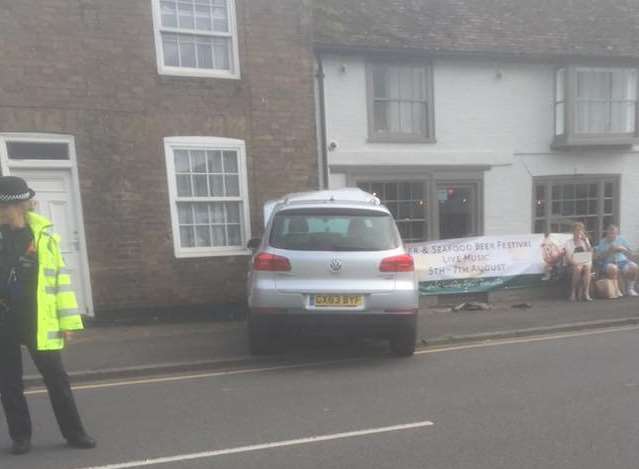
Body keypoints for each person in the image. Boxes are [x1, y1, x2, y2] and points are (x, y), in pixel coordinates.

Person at [0, 176, 96, 455]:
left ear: (19, 206)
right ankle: (21, 437)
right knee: (8, 383)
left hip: (38, 320)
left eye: (4, 206)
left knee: (57, 379)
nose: (1, 212)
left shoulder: (46, 238)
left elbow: (60, 285)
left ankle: (75, 433)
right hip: (4, 320)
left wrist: (67, 322)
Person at [595, 224, 639, 297]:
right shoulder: (602, 242)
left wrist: (622, 248)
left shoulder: (621, 239)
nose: (612, 235)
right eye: (610, 233)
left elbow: (629, 252)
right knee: (613, 268)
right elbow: (599, 257)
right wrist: (608, 251)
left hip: (622, 260)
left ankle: (630, 289)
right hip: (608, 262)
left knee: (634, 267)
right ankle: (616, 289)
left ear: (617, 233)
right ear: (607, 233)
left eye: (614, 233)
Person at [564, 222, 593, 302]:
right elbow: (569, 258)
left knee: (587, 268)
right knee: (578, 268)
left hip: (585, 261)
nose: (579, 232)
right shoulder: (568, 243)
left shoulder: (585, 241)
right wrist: (576, 263)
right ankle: (573, 292)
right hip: (573, 263)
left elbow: (590, 253)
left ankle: (586, 293)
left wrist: (586, 242)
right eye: (577, 230)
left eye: (580, 230)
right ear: (573, 232)